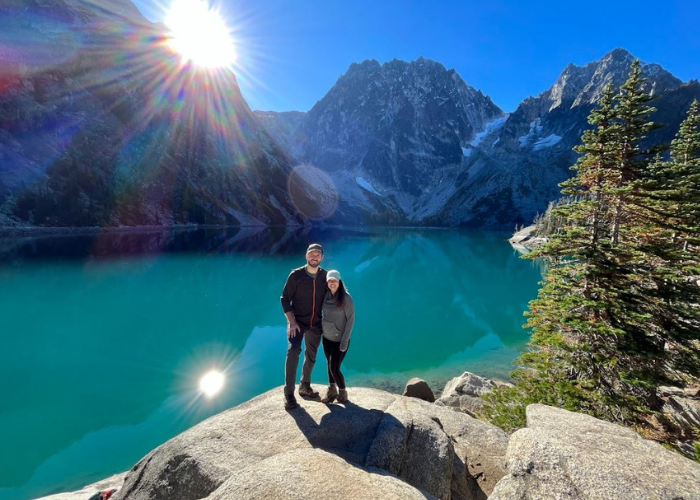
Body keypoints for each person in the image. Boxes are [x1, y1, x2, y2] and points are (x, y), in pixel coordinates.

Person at [280, 243, 328, 410]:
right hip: (298, 323)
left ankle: (305, 386)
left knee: (312, 355)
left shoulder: (325, 276)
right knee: (293, 352)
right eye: (311, 254)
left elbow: (335, 294)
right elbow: (284, 298)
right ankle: (289, 394)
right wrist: (291, 321)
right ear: (306, 256)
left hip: (315, 323)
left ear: (322, 258)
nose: (314, 257)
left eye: (318, 255)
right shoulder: (296, 275)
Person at [320, 269, 355, 404]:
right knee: (329, 364)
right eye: (330, 280)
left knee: (334, 367)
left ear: (339, 281)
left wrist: (344, 342)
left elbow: (351, 320)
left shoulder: (346, 298)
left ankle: (342, 392)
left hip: (340, 340)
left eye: (334, 280)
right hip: (327, 337)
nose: (332, 283)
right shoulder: (325, 295)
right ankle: (331, 390)